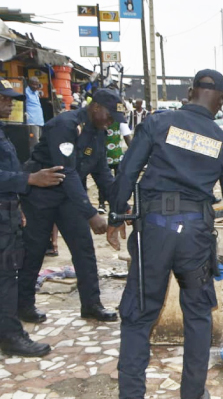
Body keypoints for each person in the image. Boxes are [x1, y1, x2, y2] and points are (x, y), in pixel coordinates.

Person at [108, 69, 223, 399]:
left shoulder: (159, 123)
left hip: (154, 228)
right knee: (198, 315)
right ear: (222, 101)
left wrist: (116, 214)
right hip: (195, 235)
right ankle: (193, 394)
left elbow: (128, 169)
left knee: (139, 315)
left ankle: (131, 394)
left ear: (189, 92)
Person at [18, 89, 126, 324]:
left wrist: (121, 204)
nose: (110, 123)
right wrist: (90, 213)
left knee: (84, 250)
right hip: (41, 194)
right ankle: (24, 306)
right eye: (109, 116)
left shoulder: (99, 133)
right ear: (95, 106)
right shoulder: (66, 125)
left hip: (69, 197)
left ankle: (91, 305)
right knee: (34, 252)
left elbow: (102, 173)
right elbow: (65, 170)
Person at [0, 79, 65, 357]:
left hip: (8, 211)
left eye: (10, 100)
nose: (8, 104)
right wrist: (30, 179)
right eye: (3, 99)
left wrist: (19, 207)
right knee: (5, 278)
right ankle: (12, 336)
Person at [97, 120, 133, 214]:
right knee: (103, 181)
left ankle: (116, 204)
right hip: (106, 156)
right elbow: (127, 138)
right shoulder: (102, 122)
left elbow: (127, 137)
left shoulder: (119, 122)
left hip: (115, 157)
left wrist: (133, 151)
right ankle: (102, 203)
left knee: (116, 182)